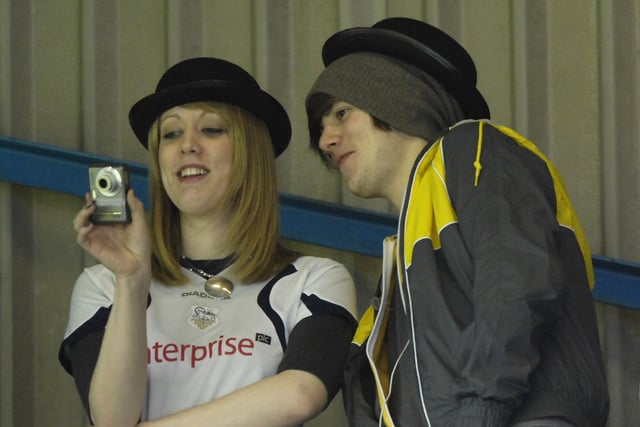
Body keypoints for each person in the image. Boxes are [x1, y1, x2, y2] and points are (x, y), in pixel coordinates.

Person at [305, 17, 609, 427]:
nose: (326, 140)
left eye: (342, 113)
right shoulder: (404, 261)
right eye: (322, 129)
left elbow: (515, 277)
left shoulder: (474, 146)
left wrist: (479, 411)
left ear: (400, 101)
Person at [58, 57, 358, 427]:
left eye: (212, 129)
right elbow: (112, 418)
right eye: (171, 134)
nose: (187, 146)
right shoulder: (103, 286)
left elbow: (300, 394)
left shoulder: (314, 279)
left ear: (252, 153)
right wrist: (132, 279)